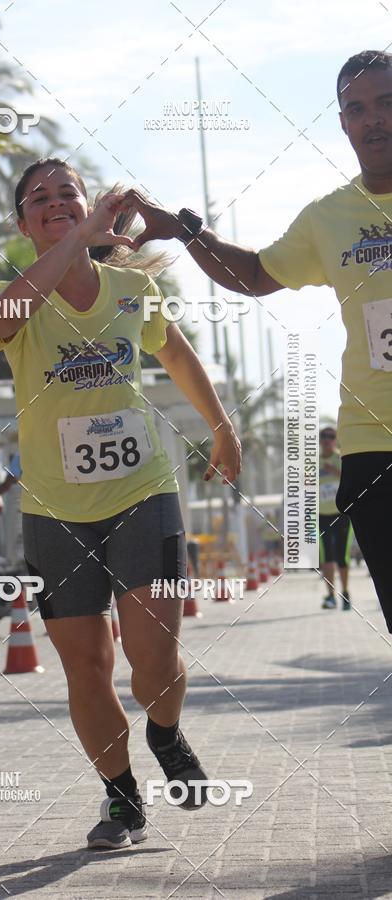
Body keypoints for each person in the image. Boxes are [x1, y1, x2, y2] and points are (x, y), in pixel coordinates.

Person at [0, 158, 241, 849]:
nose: (56, 201)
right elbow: (5, 320)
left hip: (142, 492)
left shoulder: (132, 289)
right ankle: (121, 798)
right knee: (87, 668)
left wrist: (222, 427)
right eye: (40, 198)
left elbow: (179, 358)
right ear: (23, 223)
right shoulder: (15, 298)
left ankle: (164, 730)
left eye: (68, 192)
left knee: (153, 661)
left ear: (86, 204)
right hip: (54, 510)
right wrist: (85, 232)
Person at [124, 50, 392, 633]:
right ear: (343, 124)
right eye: (357, 108)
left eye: (386, 103)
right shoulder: (330, 217)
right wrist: (186, 230)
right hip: (374, 446)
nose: (374, 119)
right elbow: (255, 274)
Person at [318, 426, 353, 610]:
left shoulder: (341, 458)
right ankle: (331, 595)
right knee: (327, 558)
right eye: (323, 437)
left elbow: (352, 480)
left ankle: (345, 593)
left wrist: (335, 472)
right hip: (322, 516)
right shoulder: (313, 462)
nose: (326, 440)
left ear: (335, 440)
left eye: (330, 437)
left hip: (341, 515)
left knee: (342, 557)